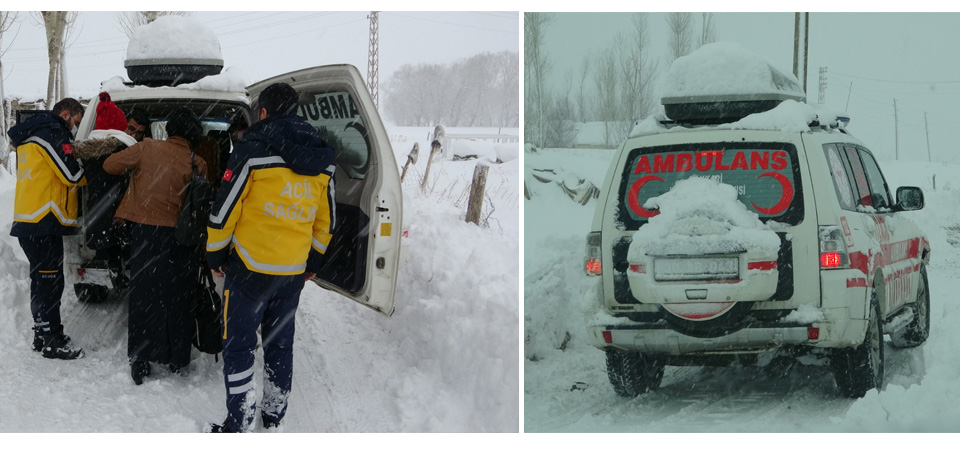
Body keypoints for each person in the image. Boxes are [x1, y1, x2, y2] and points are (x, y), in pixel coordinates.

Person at [205, 82, 336, 432]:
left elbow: (224, 212)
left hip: (249, 271)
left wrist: (215, 255)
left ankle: (240, 420)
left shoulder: (251, 151)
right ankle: (274, 415)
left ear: (263, 112)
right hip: (291, 274)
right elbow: (327, 221)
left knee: (239, 347)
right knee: (279, 346)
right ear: (294, 112)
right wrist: (313, 263)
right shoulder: (322, 159)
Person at [103, 107, 208, 385]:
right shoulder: (198, 162)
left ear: (171, 128)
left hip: (147, 235)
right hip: (183, 239)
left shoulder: (146, 148)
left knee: (145, 297)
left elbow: (109, 165)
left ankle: (141, 358)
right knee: (178, 297)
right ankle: (177, 357)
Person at [8, 98, 86, 360]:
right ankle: (52, 340)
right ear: (66, 114)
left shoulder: (32, 133)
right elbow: (71, 174)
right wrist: (90, 165)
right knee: (51, 282)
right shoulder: (51, 132)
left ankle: (42, 334)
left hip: (30, 219)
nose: (75, 127)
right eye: (76, 121)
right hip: (43, 220)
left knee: (41, 280)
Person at [75, 93, 138, 294]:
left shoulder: (86, 155)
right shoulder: (120, 153)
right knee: (121, 242)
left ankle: (113, 267)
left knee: (107, 244)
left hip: (96, 215)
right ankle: (120, 269)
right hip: (119, 216)